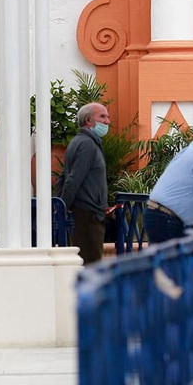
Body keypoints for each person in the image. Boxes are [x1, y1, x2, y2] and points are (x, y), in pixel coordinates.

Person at [56, 101, 111, 264]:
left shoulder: (81, 142)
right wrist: (62, 207)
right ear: (88, 120)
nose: (107, 121)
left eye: (107, 116)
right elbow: (72, 179)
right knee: (91, 265)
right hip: (88, 214)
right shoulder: (86, 144)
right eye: (102, 116)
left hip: (88, 213)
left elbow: (63, 177)